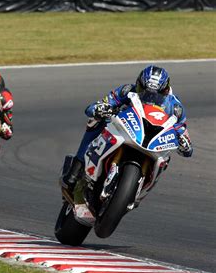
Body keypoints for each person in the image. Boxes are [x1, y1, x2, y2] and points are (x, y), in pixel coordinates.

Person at [61, 65, 193, 194]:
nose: (150, 98)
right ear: (138, 84)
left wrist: (185, 144)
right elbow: (95, 107)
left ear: (165, 91)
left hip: (152, 140)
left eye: (155, 95)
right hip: (123, 129)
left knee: (166, 158)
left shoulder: (175, 107)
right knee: (95, 121)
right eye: (144, 91)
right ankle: (76, 168)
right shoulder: (127, 90)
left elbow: (183, 134)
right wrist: (100, 108)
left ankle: (141, 189)